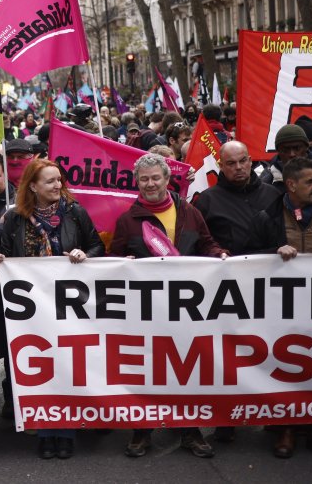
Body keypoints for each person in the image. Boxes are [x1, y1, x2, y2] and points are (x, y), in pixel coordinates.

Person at [111, 154, 225, 459]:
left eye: (155, 178)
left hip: (187, 310)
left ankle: (190, 431)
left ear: (166, 179)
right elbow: (114, 260)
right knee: (145, 372)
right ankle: (142, 432)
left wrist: (220, 255)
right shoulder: (127, 221)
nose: (150, 184)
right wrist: (123, 264)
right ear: (137, 182)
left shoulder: (189, 212)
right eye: (144, 179)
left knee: (187, 371)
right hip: (145, 313)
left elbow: (206, 244)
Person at [0, 158, 103, 458]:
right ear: (33, 186)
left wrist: (85, 253)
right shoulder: (15, 218)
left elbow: (97, 247)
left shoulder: (75, 212)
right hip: (32, 310)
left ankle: (65, 432)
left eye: (59, 180)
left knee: (66, 365)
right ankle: (44, 431)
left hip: (69, 306)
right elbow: (6, 253)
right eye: (50, 181)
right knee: (39, 367)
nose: (58, 186)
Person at [246, 157, 312, 460]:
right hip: (280, 312)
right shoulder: (266, 219)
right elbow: (247, 259)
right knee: (285, 368)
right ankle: (285, 426)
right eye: (310, 182)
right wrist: (272, 254)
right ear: (291, 185)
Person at [192, 141, 282, 255]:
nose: (238, 167)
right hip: (228, 270)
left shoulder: (272, 194)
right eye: (231, 163)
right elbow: (200, 243)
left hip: (274, 269)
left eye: (243, 161)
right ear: (221, 166)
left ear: (250, 161)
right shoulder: (206, 200)